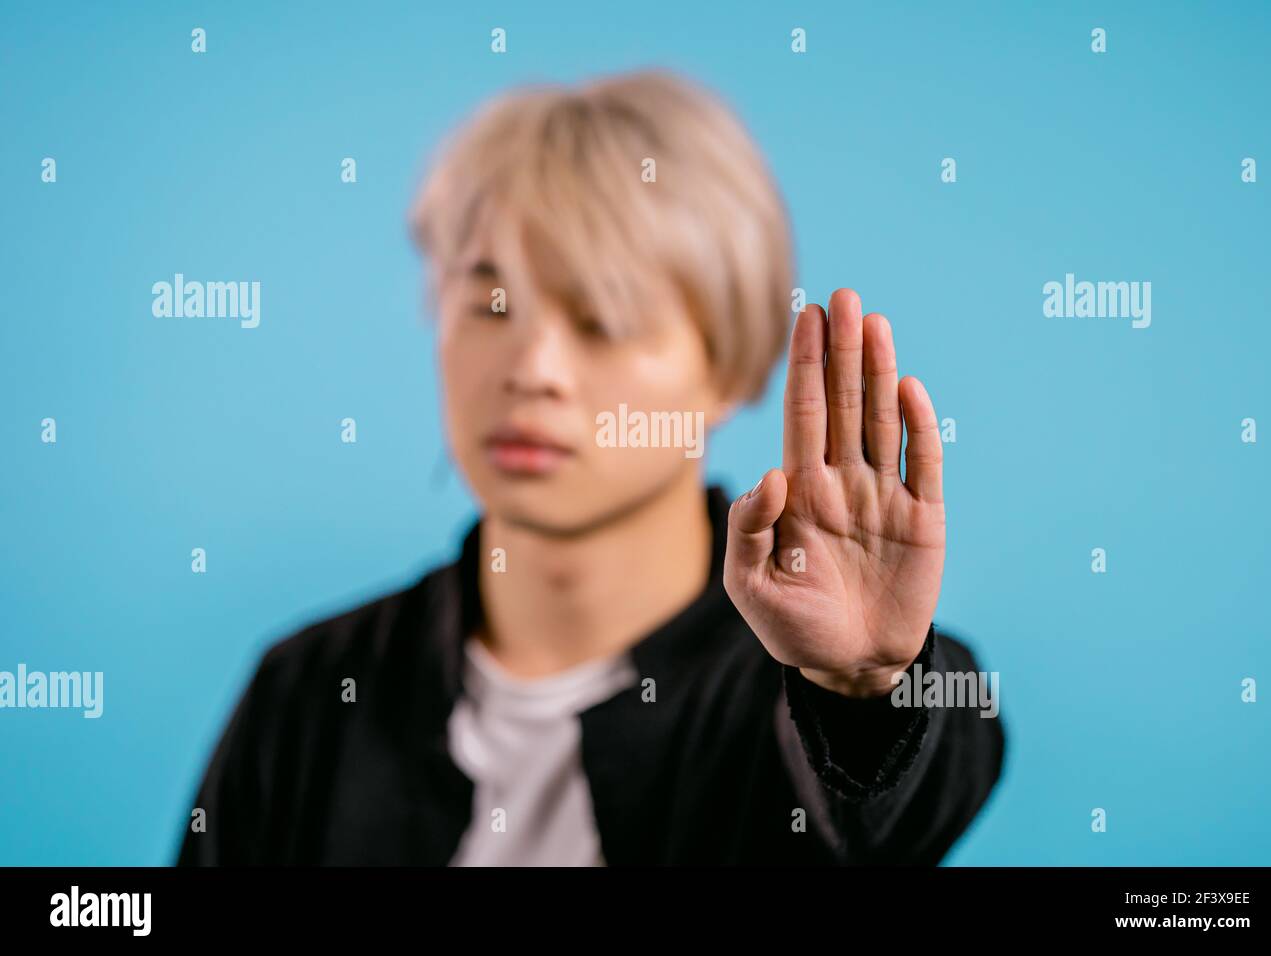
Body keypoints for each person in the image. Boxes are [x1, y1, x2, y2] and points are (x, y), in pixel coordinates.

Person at [176, 69, 1004, 866]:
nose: (533, 367)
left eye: (603, 317)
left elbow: (908, 784)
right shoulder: (313, 693)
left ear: (728, 367)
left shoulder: (792, 685)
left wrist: (860, 685)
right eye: (491, 304)